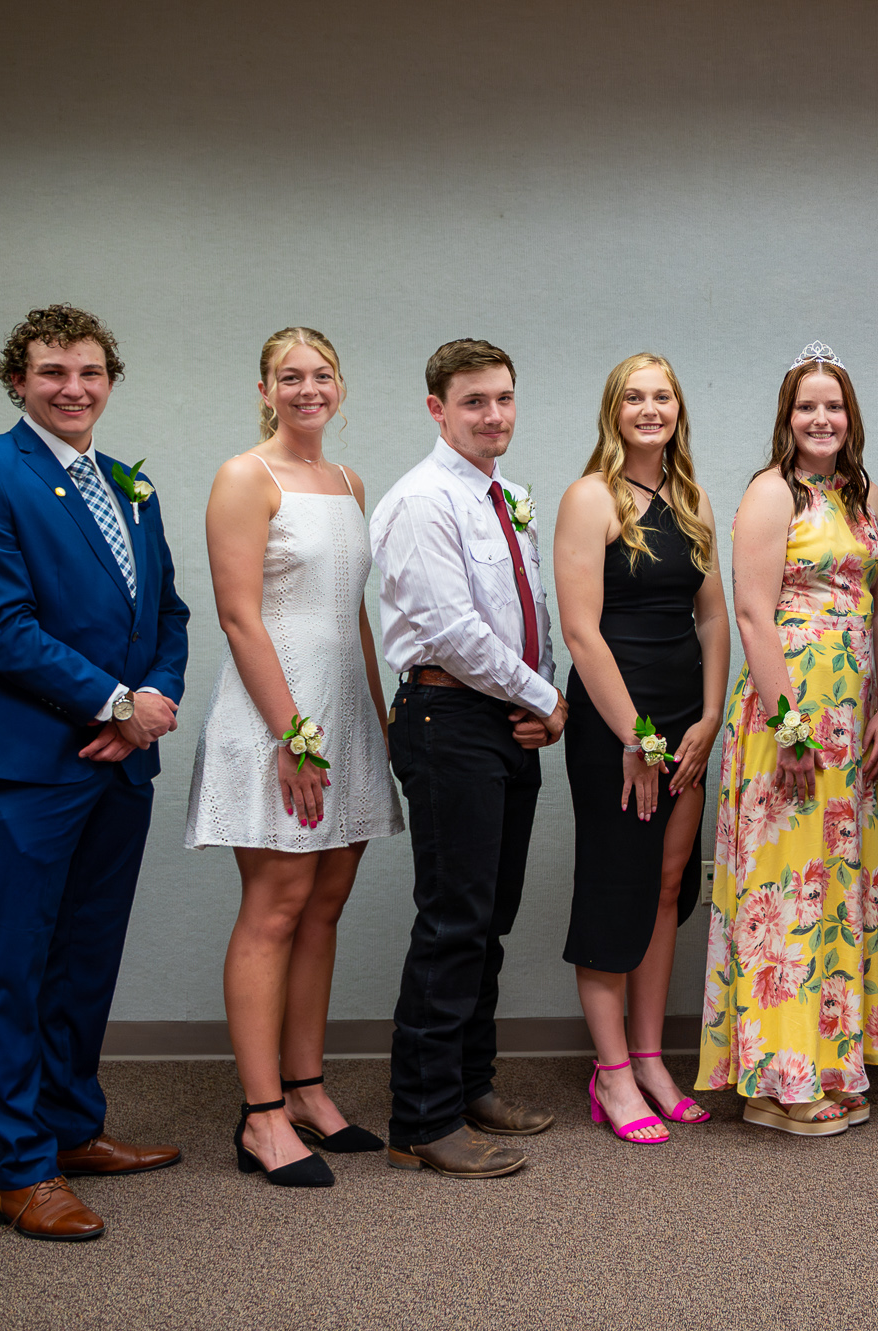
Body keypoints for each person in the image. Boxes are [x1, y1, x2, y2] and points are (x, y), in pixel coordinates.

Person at [0, 305, 190, 1241]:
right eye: (52, 372)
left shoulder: (128, 484)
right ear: (18, 381)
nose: (72, 388)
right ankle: (19, 1169)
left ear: (109, 380)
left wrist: (151, 699)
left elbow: (169, 614)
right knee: (15, 964)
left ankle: (73, 1129)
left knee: (85, 959)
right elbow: (0, 627)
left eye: (89, 372)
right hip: (30, 766)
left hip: (120, 766)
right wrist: (116, 705)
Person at [186, 328, 405, 1186]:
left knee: (324, 905)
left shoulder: (349, 481)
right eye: (290, 376)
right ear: (265, 390)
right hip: (276, 720)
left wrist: (378, 724)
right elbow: (240, 616)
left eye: (321, 375)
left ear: (340, 385)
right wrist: (293, 736)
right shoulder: (246, 476)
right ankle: (263, 1113)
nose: (308, 388)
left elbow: (352, 618)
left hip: (345, 715)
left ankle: (308, 1088)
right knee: (274, 906)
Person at [369, 339, 567, 1178]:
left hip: (502, 718)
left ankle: (469, 1084)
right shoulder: (423, 500)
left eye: (503, 398)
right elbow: (452, 631)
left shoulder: (506, 495)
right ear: (437, 409)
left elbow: (528, 609)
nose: (493, 415)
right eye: (474, 401)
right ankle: (421, 1119)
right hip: (446, 715)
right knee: (453, 919)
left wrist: (539, 696)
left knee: (489, 919)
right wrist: (544, 697)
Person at [695, 342, 878, 1135]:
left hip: (852, 716)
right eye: (807, 406)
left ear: (851, 416)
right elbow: (753, 614)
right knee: (783, 887)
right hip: (787, 714)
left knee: (834, 891)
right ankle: (778, 1080)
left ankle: (830, 1060)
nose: (822, 418)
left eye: (834, 405)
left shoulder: (865, 496)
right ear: (787, 418)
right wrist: (787, 723)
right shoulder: (769, 493)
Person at [553, 353, 729, 1144]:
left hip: (684, 721)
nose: (650, 408)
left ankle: (652, 1059)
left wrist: (710, 716)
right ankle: (613, 1072)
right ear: (613, 410)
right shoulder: (591, 497)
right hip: (616, 725)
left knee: (665, 888)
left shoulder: (692, 500)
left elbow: (713, 617)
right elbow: (580, 631)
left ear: (678, 409)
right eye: (635, 397)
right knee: (613, 887)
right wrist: (636, 734)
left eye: (663, 396)